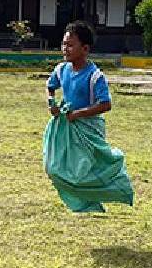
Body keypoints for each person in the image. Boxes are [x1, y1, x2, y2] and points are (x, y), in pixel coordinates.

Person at [42, 21, 133, 213]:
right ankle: (84, 201)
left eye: (70, 45)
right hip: (66, 128)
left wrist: (79, 114)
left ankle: (113, 189)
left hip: (87, 129)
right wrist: (51, 103)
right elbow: (51, 86)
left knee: (84, 171)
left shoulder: (95, 76)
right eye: (64, 44)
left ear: (85, 49)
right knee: (54, 168)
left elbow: (106, 104)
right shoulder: (61, 70)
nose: (65, 49)